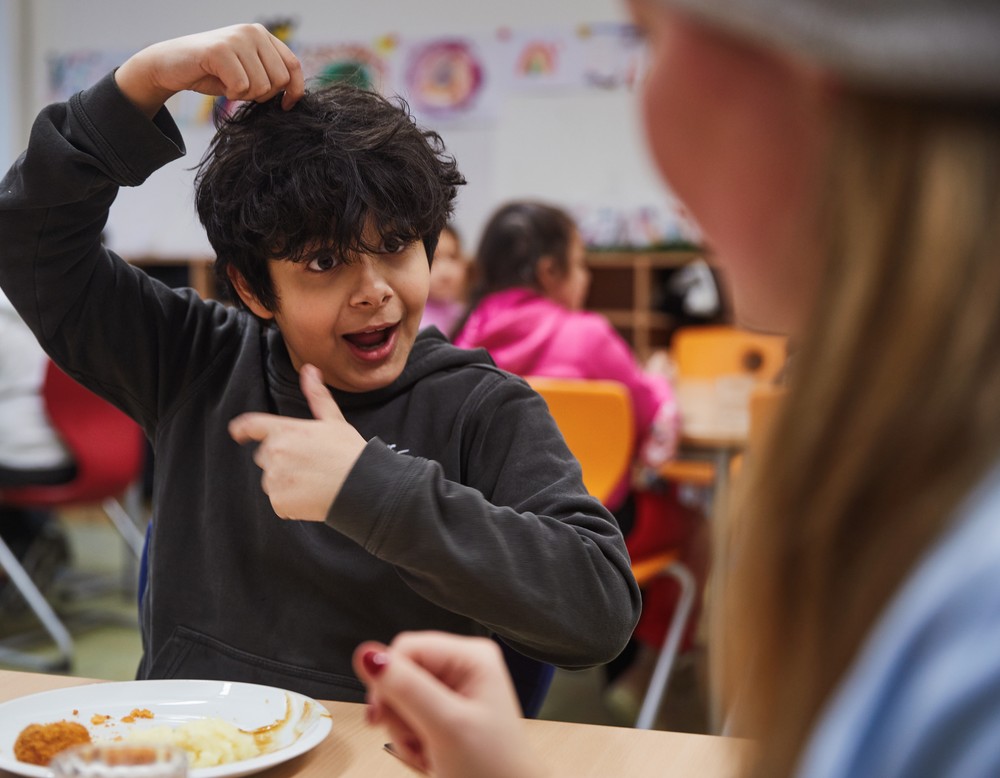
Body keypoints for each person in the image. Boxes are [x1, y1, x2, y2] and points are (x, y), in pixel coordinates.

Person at [351, 0, 1000, 775]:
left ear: (802, 68)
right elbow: (653, 414)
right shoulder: (939, 561)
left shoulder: (969, 613)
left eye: (646, 37)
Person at [0, 24, 640, 700]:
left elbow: (599, 614)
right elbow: (27, 237)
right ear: (253, 288)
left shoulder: (481, 406)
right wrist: (143, 81)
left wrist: (370, 489)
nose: (375, 290)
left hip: (380, 755)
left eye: (397, 246)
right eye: (324, 262)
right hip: (193, 746)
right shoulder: (193, 362)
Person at [453, 200, 695, 713]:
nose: (584, 277)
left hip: (481, 532)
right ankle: (643, 674)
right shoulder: (588, 335)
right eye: (581, 263)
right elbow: (657, 425)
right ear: (549, 271)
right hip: (592, 530)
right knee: (694, 527)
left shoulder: (459, 338)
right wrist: (659, 381)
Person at [419, 224, 470, 338]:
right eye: (434, 258)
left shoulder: (467, 317)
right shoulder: (414, 323)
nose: (445, 271)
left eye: (452, 257)